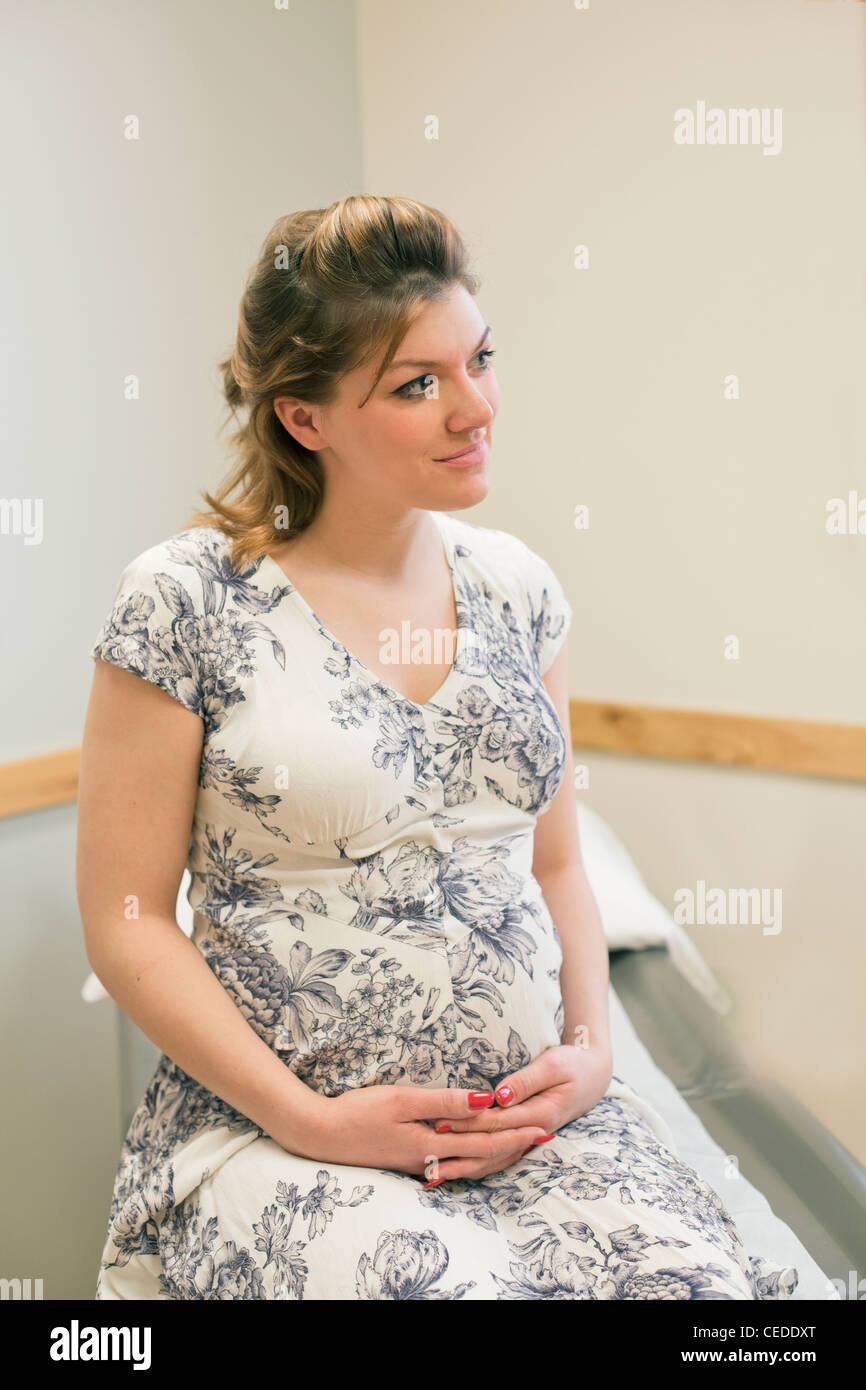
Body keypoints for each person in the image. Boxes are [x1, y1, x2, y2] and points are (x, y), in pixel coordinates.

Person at [77, 194, 798, 1300]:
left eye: (479, 359)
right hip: (294, 1139)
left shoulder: (516, 588)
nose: (476, 408)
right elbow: (126, 921)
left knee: (718, 1299)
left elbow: (554, 861)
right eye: (418, 384)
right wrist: (312, 1119)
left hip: (532, 1128)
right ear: (303, 418)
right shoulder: (185, 601)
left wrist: (591, 1047)